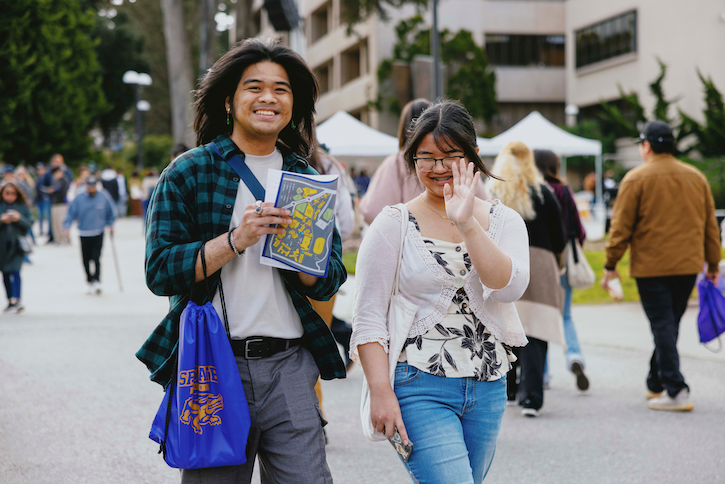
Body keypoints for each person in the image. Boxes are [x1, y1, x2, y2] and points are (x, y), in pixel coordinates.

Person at [137, 38, 347, 483]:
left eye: (281, 89)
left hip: (290, 363)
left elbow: (330, 278)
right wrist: (236, 239)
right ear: (229, 101)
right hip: (212, 363)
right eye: (254, 87)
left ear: (294, 105)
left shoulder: (307, 180)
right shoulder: (188, 172)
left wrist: (301, 260)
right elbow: (160, 270)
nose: (268, 98)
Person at [351, 100, 530, 483]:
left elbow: (508, 287)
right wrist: (381, 392)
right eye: (425, 157)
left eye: (450, 155)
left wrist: (466, 223)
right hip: (417, 384)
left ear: (474, 156)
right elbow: (367, 317)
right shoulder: (392, 224)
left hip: (488, 386)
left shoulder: (504, 220)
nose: (437, 167)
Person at [602, 120, 720, 412]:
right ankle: (655, 382)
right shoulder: (696, 178)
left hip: (651, 267)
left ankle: (676, 388)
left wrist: (610, 265)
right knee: (669, 324)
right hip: (688, 265)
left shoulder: (635, 179)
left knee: (663, 325)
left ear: (647, 146)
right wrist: (713, 263)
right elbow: (710, 227)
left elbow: (620, 229)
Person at [487, 141, 566, 418]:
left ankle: (508, 388)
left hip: (503, 260)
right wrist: (560, 264)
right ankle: (531, 397)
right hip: (541, 264)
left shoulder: (493, 191)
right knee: (536, 329)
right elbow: (560, 236)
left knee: (504, 322)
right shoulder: (543, 192)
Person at [307, 141, 356, 432]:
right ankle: (314, 414)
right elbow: (347, 224)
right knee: (311, 342)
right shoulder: (327, 166)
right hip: (321, 262)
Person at [534, 149, 589, 392]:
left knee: (542, 316)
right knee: (565, 315)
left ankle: (543, 375)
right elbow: (579, 229)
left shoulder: (533, 191)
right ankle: (574, 356)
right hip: (565, 257)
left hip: (542, 260)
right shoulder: (565, 190)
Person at [63, 176, 116, 295]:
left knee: (96, 257)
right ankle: (89, 280)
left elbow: (110, 211)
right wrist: (67, 225)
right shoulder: (79, 198)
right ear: (86, 186)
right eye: (89, 186)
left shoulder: (103, 196)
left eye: (93, 186)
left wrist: (111, 224)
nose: (92, 189)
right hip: (84, 232)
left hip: (98, 231)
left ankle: (97, 280)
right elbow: (71, 213)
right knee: (86, 259)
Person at [0, 182, 33, 314]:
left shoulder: (22, 206)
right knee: (5, 273)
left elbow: (29, 224)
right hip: (2, 246)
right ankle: (10, 300)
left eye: (13, 193)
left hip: (17, 246)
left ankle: (18, 300)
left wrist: (19, 218)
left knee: (16, 272)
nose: (10, 196)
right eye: (7, 193)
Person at [48, 167, 70, 245]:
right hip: (54, 203)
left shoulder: (64, 181)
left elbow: (64, 193)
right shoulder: (54, 181)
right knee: (55, 222)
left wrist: (55, 191)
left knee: (61, 222)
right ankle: (57, 239)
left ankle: (64, 239)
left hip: (62, 203)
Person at [35, 163, 51, 237]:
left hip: (46, 199)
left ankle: (49, 231)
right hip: (39, 200)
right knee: (40, 216)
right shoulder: (37, 178)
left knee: (47, 216)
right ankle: (41, 231)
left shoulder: (47, 177)